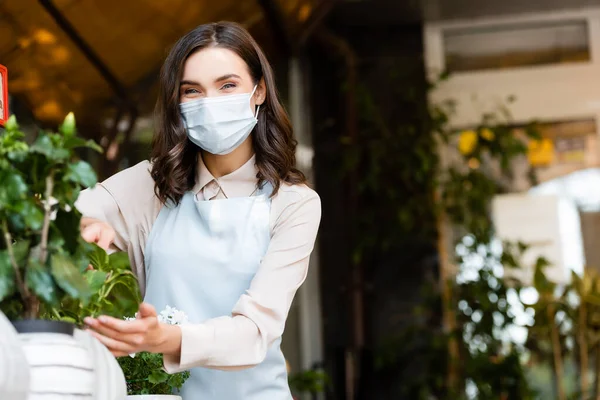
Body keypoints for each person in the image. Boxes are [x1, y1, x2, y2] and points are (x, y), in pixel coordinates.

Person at [76, 21, 321, 400]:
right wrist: (89, 227)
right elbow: (52, 218)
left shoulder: (294, 204)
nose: (211, 102)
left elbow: (255, 333)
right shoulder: (150, 184)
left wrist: (168, 339)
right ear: (178, 103)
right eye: (192, 91)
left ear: (258, 91)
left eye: (227, 85)